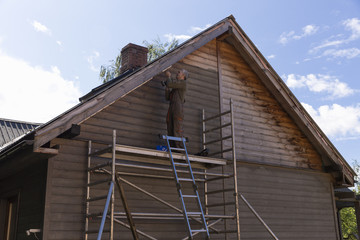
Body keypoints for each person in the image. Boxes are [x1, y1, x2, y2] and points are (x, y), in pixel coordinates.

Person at [164, 69, 188, 148]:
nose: (177, 73)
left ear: (183, 76)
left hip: (178, 109)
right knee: (170, 128)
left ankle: (179, 149)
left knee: (177, 129)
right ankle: (173, 148)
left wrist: (168, 77)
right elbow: (167, 97)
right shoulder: (175, 88)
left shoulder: (183, 83)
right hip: (172, 107)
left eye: (179, 72)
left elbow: (170, 83)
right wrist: (167, 89)